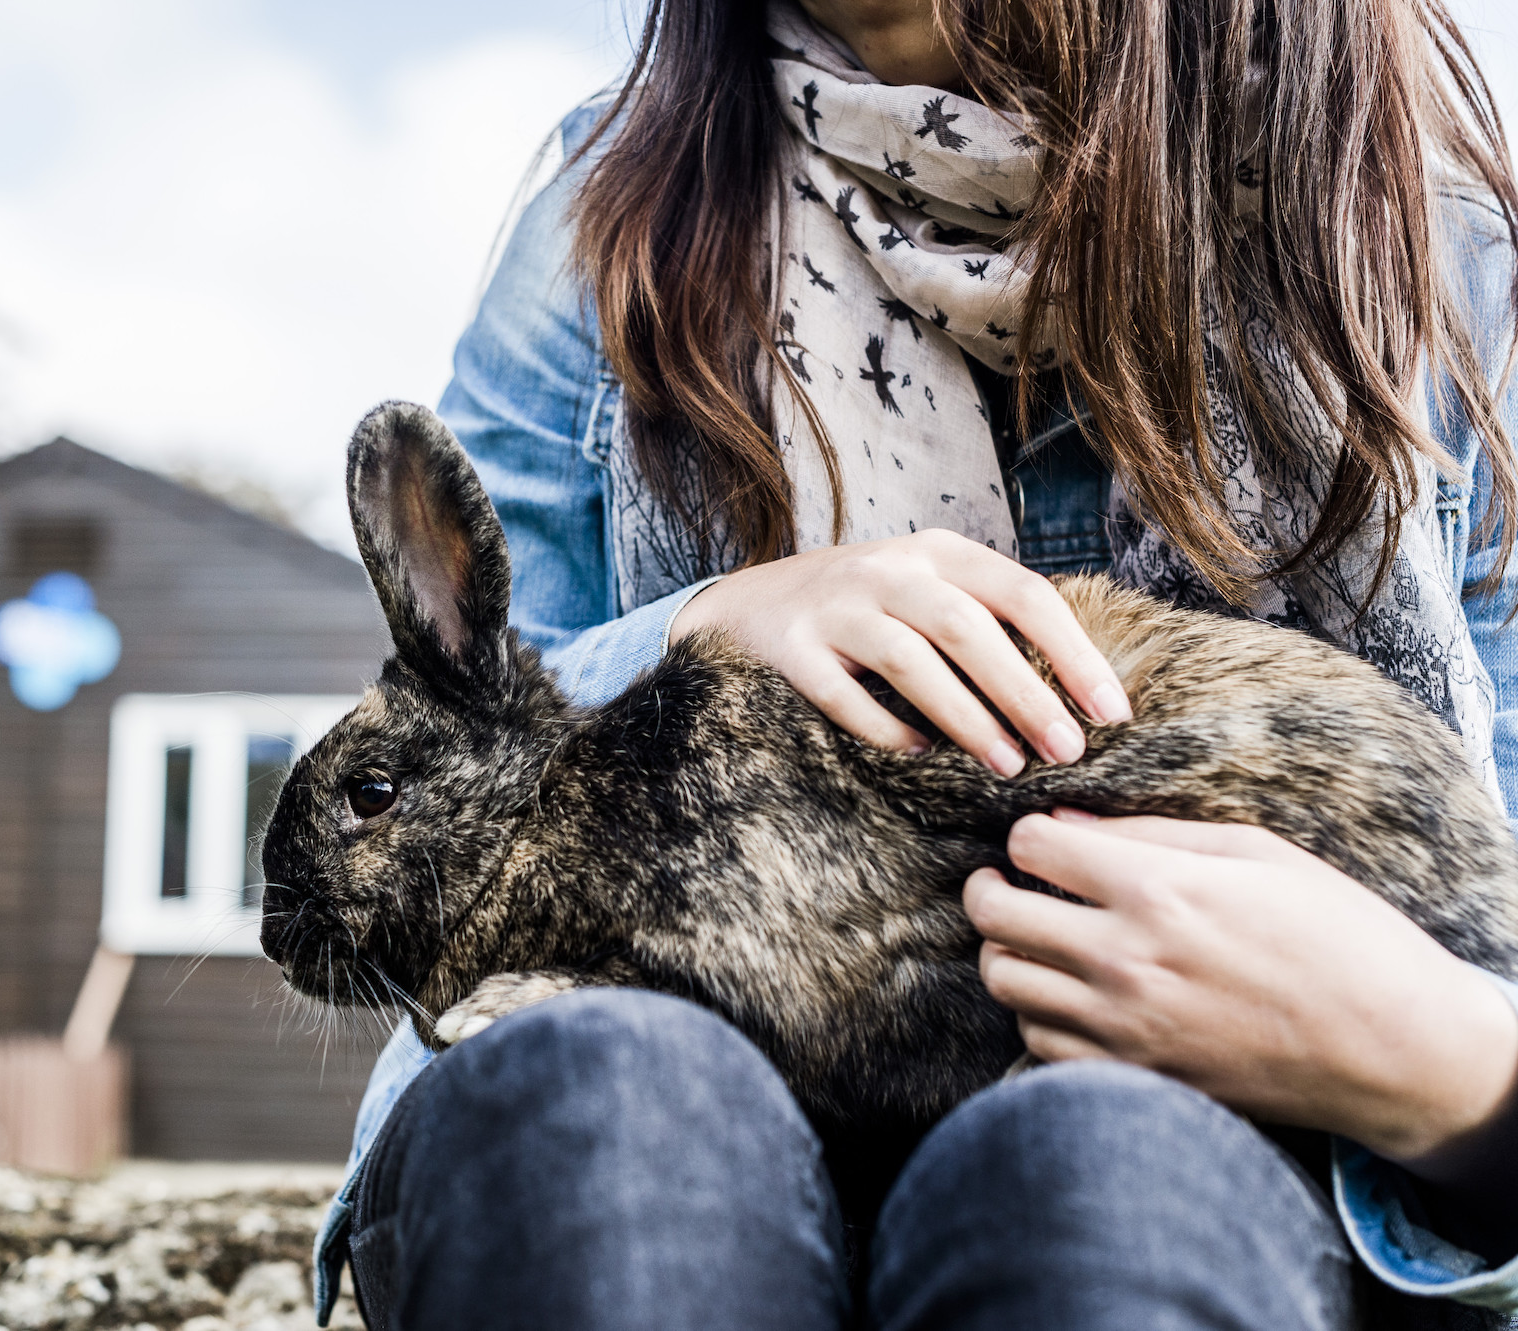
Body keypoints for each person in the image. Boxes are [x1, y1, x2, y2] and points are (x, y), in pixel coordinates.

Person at [314, 0, 1518, 1326]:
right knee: (609, 1108)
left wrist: (1437, 1064)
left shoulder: (1421, 229)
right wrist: (700, 626)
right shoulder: (616, 214)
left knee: (1096, 1172)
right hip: (689, 1100)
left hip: (1234, 1157)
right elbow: (455, 752)